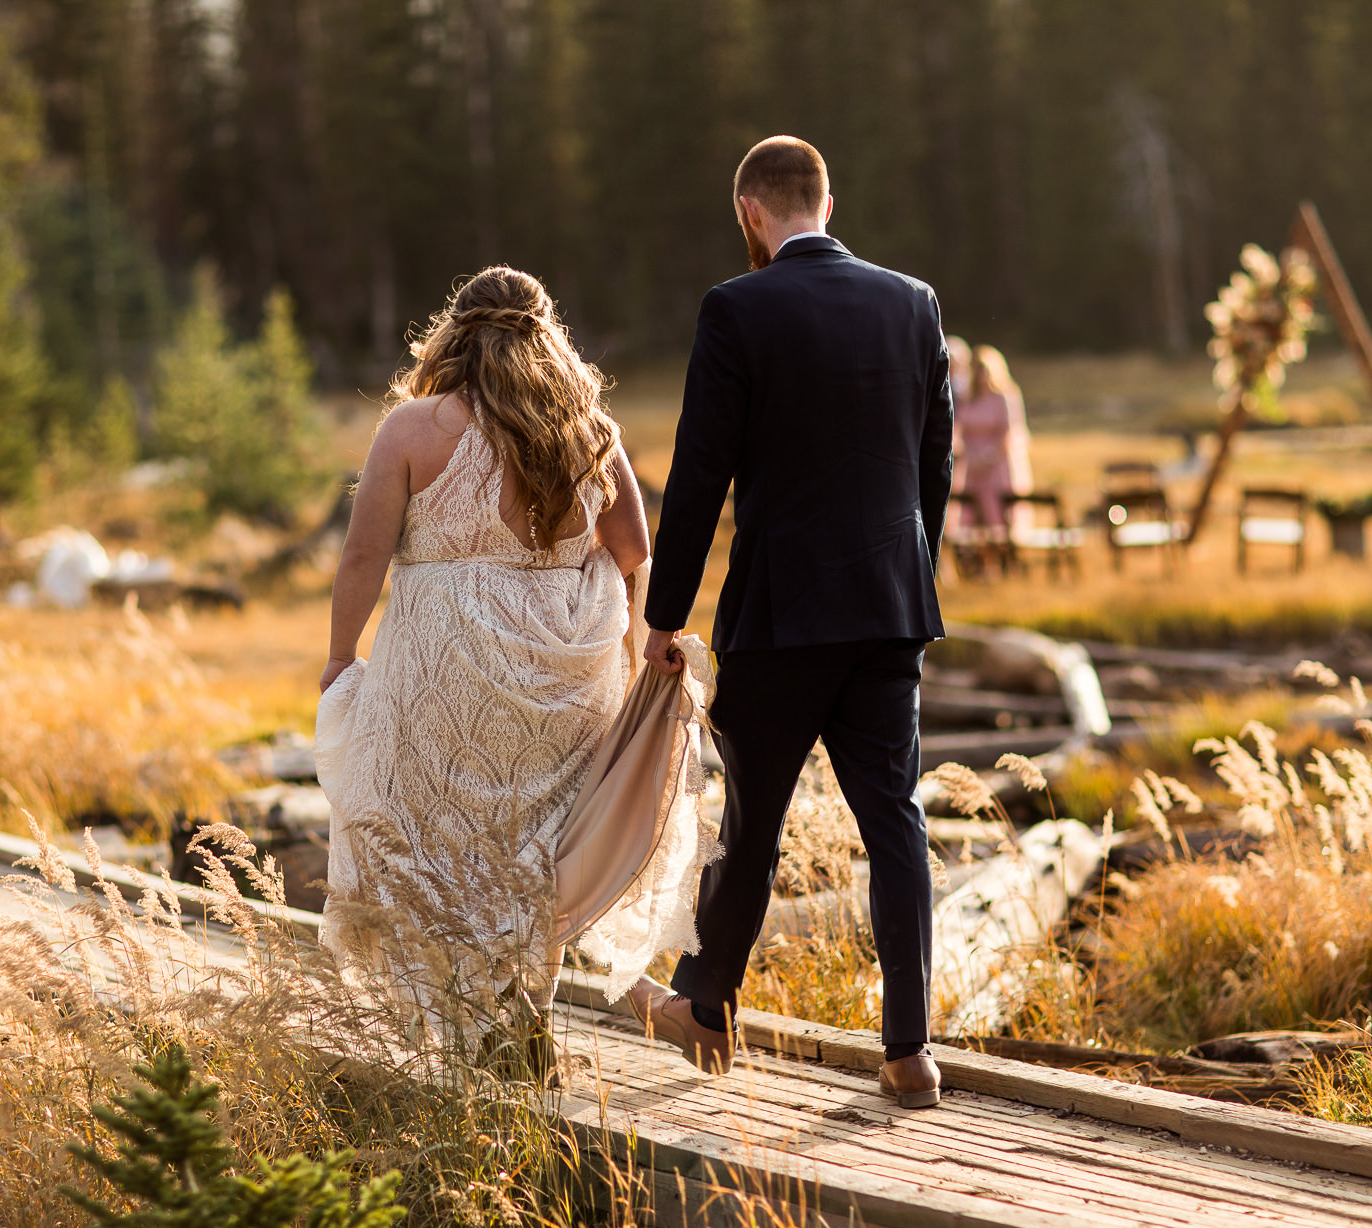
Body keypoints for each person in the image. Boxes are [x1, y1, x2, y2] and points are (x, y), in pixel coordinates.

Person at [632, 135, 955, 1109]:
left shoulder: (738, 307)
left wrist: (664, 615)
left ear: (750, 215)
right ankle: (909, 1050)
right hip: (890, 610)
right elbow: (935, 464)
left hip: (781, 614)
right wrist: (910, 573)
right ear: (827, 199)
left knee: (752, 824)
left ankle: (710, 1007)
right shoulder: (914, 302)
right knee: (894, 818)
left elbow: (698, 476)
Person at [314, 266, 713, 1046]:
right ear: (547, 335)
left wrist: (339, 657)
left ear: (451, 336)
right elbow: (634, 553)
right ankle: (536, 1009)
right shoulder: (588, 430)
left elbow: (363, 556)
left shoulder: (411, 428)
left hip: (447, 673)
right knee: (542, 840)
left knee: (436, 839)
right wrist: (643, 644)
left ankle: (484, 1022)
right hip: (564, 674)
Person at [953, 344, 1033, 537]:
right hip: (971, 465)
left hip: (998, 464)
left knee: (999, 513)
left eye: (985, 369)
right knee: (969, 512)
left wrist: (989, 457)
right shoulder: (968, 398)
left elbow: (1010, 431)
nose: (981, 375)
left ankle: (1004, 552)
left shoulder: (1004, 396)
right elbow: (958, 428)